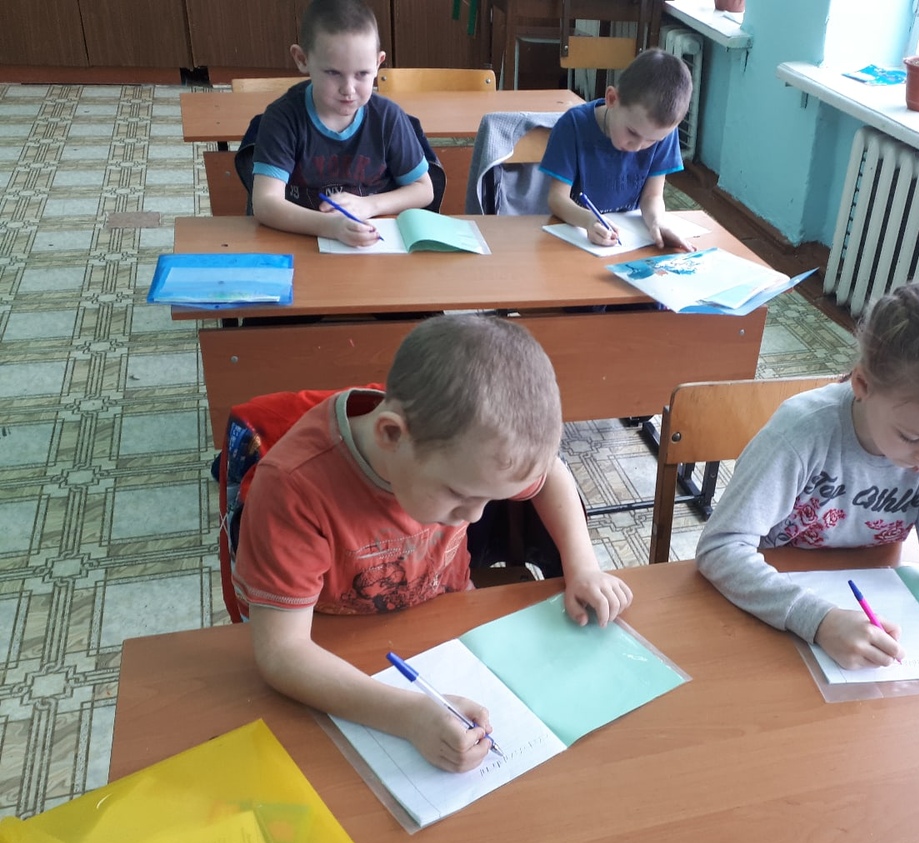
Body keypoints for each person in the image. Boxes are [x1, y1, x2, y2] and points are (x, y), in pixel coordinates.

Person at [233, 314, 633, 772]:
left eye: (489, 499)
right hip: (331, 656)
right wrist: (407, 716)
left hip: (445, 625)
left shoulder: (449, 445)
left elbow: (550, 475)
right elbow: (282, 653)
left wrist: (583, 567)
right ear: (390, 435)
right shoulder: (293, 488)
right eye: (461, 495)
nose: (476, 517)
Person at [696, 281, 919, 670]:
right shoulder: (802, 433)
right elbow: (720, 547)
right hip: (772, 600)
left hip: (864, 591)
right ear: (862, 385)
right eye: (911, 437)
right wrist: (819, 620)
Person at [250, 0, 434, 247]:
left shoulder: (388, 118)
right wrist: (331, 227)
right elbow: (265, 203)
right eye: (333, 73)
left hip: (375, 241)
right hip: (303, 240)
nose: (348, 89)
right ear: (302, 59)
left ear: (378, 64)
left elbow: (424, 189)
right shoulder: (283, 118)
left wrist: (369, 205)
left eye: (362, 74)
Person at [539, 48, 694, 251]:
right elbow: (557, 199)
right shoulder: (573, 126)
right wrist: (589, 220)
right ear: (612, 99)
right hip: (575, 236)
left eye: (652, 141)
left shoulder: (662, 133)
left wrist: (657, 222)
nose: (637, 147)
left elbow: (652, 196)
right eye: (632, 132)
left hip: (628, 242)